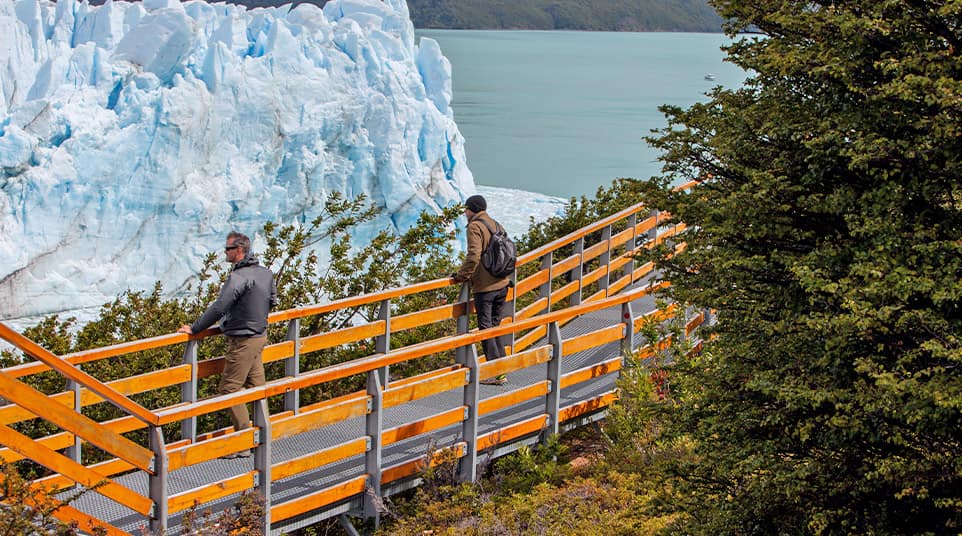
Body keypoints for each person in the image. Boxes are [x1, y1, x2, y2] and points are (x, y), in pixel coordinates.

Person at [178, 231, 276, 457]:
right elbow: (271, 300)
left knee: (229, 389)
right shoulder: (265, 273)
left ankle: (243, 442)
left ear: (239, 250)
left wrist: (195, 328)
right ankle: (263, 437)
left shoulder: (238, 277)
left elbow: (219, 306)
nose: (225, 253)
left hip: (243, 339)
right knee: (256, 387)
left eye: (228, 249)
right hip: (259, 335)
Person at [452, 194, 511, 385]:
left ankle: (496, 374)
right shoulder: (495, 224)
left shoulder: (475, 227)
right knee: (495, 327)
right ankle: (502, 368)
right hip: (502, 283)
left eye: (466, 209)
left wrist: (461, 275)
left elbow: (474, 255)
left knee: (486, 329)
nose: (465, 213)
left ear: (472, 209)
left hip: (485, 287)